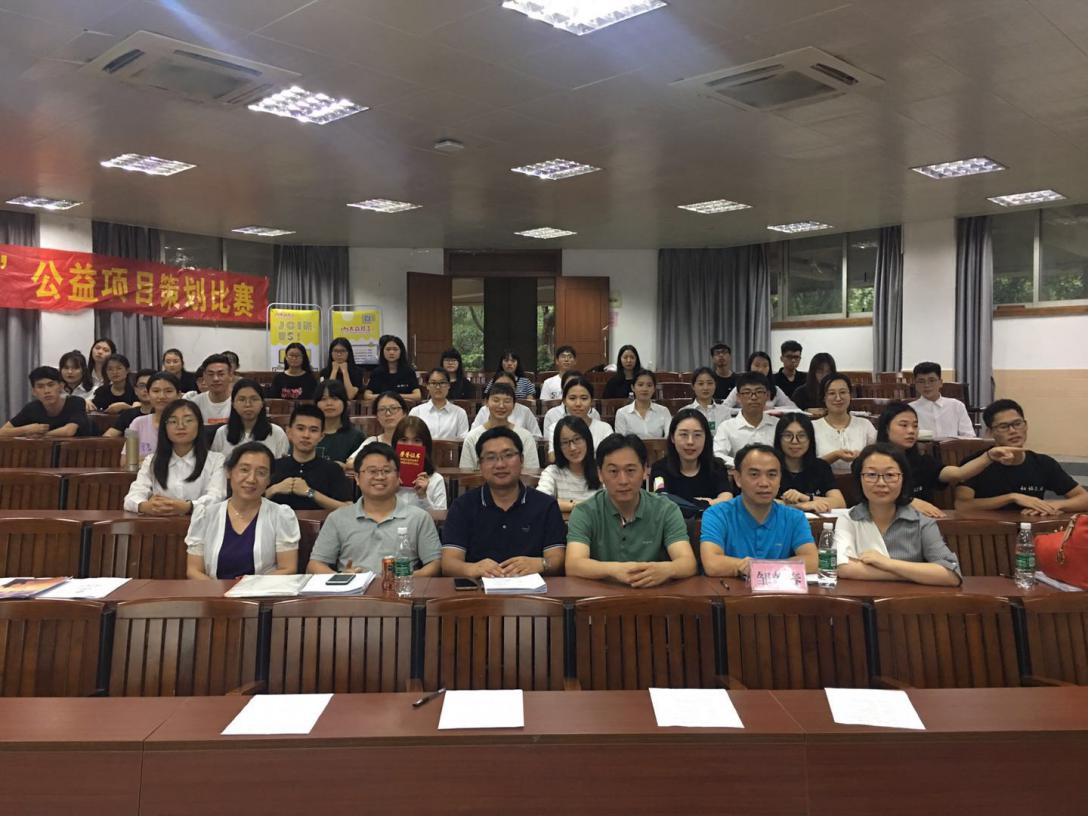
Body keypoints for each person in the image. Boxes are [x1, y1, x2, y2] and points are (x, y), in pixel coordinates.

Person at [565, 434, 697, 587]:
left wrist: (666, 569)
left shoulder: (666, 509)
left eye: (630, 470)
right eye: (613, 471)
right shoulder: (584, 512)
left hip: (652, 594)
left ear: (645, 470)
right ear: (600, 474)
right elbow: (573, 564)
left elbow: (688, 563)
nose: (623, 481)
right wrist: (615, 570)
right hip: (600, 595)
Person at [442, 427, 567, 578]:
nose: (500, 464)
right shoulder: (462, 506)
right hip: (479, 589)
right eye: (491, 457)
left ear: (521, 460)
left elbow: (557, 559)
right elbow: (449, 563)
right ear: (480, 465)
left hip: (533, 590)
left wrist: (542, 564)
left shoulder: (546, 505)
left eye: (508, 455)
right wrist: (473, 568)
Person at [835, 444, 962, 586]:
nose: (881, 483)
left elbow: (951, 574)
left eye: (890, 475)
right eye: (871, 475)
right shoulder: (848, 519)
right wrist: (914, 575)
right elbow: (842, 568)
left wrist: (887, 563)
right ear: (859, 479)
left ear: (903, 479)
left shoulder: (921, 522)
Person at [307, 442, 442, 576]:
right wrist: (342, 578)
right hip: (353, 589)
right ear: (357, 478)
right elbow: (315, 565)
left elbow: (435, 565)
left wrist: (406, 579)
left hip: (401, 588)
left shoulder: (419, 518)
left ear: (398, 477)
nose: (380, 477)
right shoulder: (337, 518)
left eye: (387, 471)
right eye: (372, 471)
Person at [878, 401, 1018, 518]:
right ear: (886, 428)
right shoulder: (873, 461)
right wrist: (908, 502)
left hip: (922, 525)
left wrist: (989, 456)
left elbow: (958, 473)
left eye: (915, 426)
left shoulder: (923, 461)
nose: (911, 431)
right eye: (903, 425)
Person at [185, 442, 300, 580]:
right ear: (229, 472)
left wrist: (250, 585)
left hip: (263, 591)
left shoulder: (280, 515)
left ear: (269, 479)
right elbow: (194, 570)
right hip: (213, 591)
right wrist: (218, 590)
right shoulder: (206, 515)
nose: (251, 479)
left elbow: (288, 568)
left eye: (261, 473)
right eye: (244, 470)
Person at [700, 444, 818, 577]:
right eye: (754, 474)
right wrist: (746, 567)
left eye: (772, 475)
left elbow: (812, 561)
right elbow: (712, 564)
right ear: (738, 478)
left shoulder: (794, 517)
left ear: (780, 478)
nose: (764, 483)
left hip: (777, 589)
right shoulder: (717, 514)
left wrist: (759, 567)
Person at [954, 399, 1088, 515]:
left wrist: (1054, 505)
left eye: (1017, 424)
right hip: (988, 531)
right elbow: (962, 505)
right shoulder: (975, 463)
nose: (1013, 431)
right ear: (990, 432)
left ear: (1026, 425)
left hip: (1031, 530)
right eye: (1004, 426)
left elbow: (1084, 498)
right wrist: (1011, 497)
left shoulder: (1043, 463)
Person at [123, 400, 226, 515]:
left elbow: (217, 497)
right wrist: (146, 506)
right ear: (164, 427)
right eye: (173, 421)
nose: (181, 426)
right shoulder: (152, 460)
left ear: (199, 425)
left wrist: (187, 507)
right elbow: (132, 498)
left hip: (203, 524)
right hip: (161, 523)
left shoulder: (216, 460)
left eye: (188, 420)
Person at [266, 405, 353, 511]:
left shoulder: (333, 469)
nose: (306, 435)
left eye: (313, 430)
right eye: (300, 429)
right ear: (289, 432)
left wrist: (310, 492)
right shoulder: (273, 466)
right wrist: (273, 489)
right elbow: (250, 503)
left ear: (321, 436)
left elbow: (349, 509)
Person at [650, 408, 732, 508]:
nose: (690, 442)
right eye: (684, 434)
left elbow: (727, 498)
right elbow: (662, 498)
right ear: (672, 437)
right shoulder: (659, 469)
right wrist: (705, 503)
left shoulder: (717, 466)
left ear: (706, 438)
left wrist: (685, 503)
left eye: (697, 435)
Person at [773, 412, 845, 513]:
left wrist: (807, 498)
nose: (794, 441)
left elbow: (840, 503)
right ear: (779, 439)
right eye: (788, 435)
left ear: (810, 439)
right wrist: (800, 506)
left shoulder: (821, 466)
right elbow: (757, 501)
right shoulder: (769, 467)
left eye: (801, 435)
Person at [460, 383, 540, 469]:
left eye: (507, 401)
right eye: (496, 400)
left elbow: (532, 471)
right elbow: (466, 472)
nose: (501, 406)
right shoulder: (472, 437)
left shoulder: (526, 437)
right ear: (486, 402)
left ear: (514, 405)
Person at [812, 373, 876, 473]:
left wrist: (863, 457)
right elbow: (808, 466)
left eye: (843, 392)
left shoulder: (865, 425)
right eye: (831, 393)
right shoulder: (812, 427)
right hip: (822, 481)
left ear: (850, 395)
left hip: (859, 480)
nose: (838, 398)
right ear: (823, 398)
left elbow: (878, 458)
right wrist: (836, 455)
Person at [211, 379, 290, 461]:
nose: (248, 404)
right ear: (233, 403)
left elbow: (281, 466)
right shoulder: (222, 433)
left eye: (254, 399)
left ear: (262, 403)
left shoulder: (277, 433)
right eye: (242, 399)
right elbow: (215, 465)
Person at [0, 366, 89, 438]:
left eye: (51, 385)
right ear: (34, 392)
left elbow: (68, 431)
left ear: (61, 386)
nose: (46, 391)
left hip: (85, 451)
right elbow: (2, 432)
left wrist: (41, 436)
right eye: (40, 386)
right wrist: (27, 429)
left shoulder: (76, 402)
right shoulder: (32, 408)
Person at [713, 373, 779, 468]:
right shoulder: (726, 427)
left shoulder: (778, 425)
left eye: (759, 392)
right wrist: (743, 464)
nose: (754, 397)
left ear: (767, 395)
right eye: (747, 392)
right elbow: (718, 454)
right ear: (738, 397)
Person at [537, 416, 602, 512]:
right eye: (565, 442)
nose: (572, 447)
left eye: (577, 439)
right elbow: (540, 501)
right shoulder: (552, 472)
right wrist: (579, 506)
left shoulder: (602, 470)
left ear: (587, 439)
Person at [390, 416, 447, 510]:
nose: (410, 445)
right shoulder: (386, 477)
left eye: (416, 440)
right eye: (404, 440)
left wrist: (423, 496)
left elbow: (440, 516)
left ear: (425, 445)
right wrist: (390, 491)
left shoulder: (436, 479)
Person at [548, 376, 613, 457]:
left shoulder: (605, 428)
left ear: (591, 401)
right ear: (564, 401)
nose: (578, 404)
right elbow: (552, 457)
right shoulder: (555, 427)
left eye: (584, 398)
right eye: (572, 398)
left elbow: (612, 456)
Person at [909, 361, 975, 439]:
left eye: (931, 380)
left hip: (953, 446)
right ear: (916, 385)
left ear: (940, 383)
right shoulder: (910, 409)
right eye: (921, 381)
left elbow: (969, 436)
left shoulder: (956, 406)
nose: (926, 385)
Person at [122, 371, 179, 460]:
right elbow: (125, 460)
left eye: (168, 391)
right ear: (148, 394)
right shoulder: (136, 422)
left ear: (178, 395)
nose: (161, 396)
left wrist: (143, 459)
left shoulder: (185, 424)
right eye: (156, 391)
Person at [721, 351, 798, 411]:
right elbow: (723, 409)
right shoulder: (740, 388)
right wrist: (744, 410)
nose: (761, 369)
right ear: (750, 366)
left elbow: (793, 408)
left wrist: (773, 409)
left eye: (765, 366)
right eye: (757, 365)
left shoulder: (774, 389)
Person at [474, 371, 543, 437]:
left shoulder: (525, 411)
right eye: (499, 385)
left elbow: (536, 436)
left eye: (508, 385)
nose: (503, 389)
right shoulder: (484, 410)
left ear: (515, 388)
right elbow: (474, 434)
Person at [347, 392, 408, 466]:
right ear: (377, 417)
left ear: (404, 413)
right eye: (382, 409)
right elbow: (350, 463)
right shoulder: (373, 441)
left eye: (394, 408)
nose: (388, 413)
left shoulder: (414, 440)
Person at [313, 380, 365, 465]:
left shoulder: (356, 437)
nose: (329, 403)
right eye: (323, 399)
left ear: (345, 403)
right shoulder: (308, 434)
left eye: (335, 398)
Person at [410, 368, 470, 439]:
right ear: (427, 386)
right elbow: (410, 439)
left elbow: (463, 441)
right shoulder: (416, 412)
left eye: (442, 383)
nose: (438, 387)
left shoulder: (460, 413)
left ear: (448, 385)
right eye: (433, 383)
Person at [539, 370, 599, 441]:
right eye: (570, 385)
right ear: (562, 390)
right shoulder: (551, 414)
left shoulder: (594, 413)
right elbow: (549, 444)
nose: (574, 387)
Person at [614, 369, 670, 437]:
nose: (645, 389)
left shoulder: (663, 411)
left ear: (654, 389)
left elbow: (669, 437)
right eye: (640, 385)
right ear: (633, 387)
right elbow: (620, 440)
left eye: (649, 385)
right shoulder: (622, 413)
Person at [363, 334, 421, 401]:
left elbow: (417, 396)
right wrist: (388, 396)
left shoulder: (409, 372)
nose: (391, 352)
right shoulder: (377, 373)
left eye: (395, 349)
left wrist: (395, 396)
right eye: (388, 349)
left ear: (401, 351)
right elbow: (367, 396)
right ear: (382, 351)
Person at [102, 368, 154, 437]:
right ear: (135, 390)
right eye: (142, 386)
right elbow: (108, 436)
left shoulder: (164, 414)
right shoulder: (128, 415)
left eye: (150, 386)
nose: (146, 390)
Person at [189, 354, 233, 429]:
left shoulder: (239, 402)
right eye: (210, 374)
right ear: (204, 376)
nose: (215, 379)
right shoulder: (195, 403)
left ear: (230, 376)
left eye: (221, 374)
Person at [683, 367, 730, 435]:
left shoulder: (725, 412)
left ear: (715, 385)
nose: (705, 388)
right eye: (701, 384)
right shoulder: (684, 412)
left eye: (710, 383)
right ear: (693, 386)